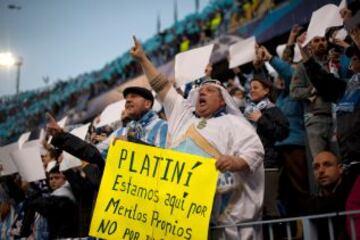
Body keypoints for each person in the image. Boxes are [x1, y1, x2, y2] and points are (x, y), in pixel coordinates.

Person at [130, 36, 264, 240]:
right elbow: (162, 86)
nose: (202, 93)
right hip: (179, 214)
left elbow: (254, 152)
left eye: (210, 91)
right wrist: (143, 59)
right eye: (201, 90)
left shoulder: (234, 123)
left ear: (222, 101)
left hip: (220, 213)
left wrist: (234, 161)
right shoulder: (183, 117)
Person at [47, 86, 168, 173]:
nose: (128, 100)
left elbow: (166, 163)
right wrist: (62, 137)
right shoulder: (121, 132)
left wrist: (132, 144)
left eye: (134, 97)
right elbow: (94, 154)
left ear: (147, 104)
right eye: (126, 99)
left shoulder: (162, 126)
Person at [244, 72, 289, 218]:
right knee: (257, 208)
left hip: (268, 164)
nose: (252, 90)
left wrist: (261, 119)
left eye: (256, 87)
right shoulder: (249, 111)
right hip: (253, 165)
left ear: (266, 90)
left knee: (270, 206)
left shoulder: (272, 110)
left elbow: (282, 133)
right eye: (250, 87)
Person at [290, 35, 335, 159]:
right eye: (316, 40)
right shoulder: (302, 67)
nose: (321, 43)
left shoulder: (334, 62)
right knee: (321, 161)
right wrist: (312, 90)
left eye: (323, 40)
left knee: (340, 162)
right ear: (309, 45)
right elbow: (294, 92)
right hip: (316, 119)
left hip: (338, 117)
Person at [19, 166, 79, 239]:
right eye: (50, 178)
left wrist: (30, 191)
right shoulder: (55, 194)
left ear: (65, 179)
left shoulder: (65, 194)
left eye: (57, 178)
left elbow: (46, 206)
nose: (53, 181)